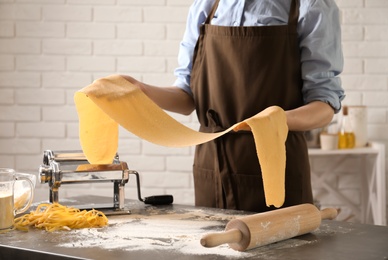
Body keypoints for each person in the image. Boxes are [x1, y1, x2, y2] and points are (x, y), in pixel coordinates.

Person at [122, 0, 345, 212]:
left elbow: (324, 105)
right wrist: (140, 90)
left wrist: (276, 120)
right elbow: (187, 97)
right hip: (212, 164)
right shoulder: (206, 5)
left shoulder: (310, 5)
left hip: (276, 167)